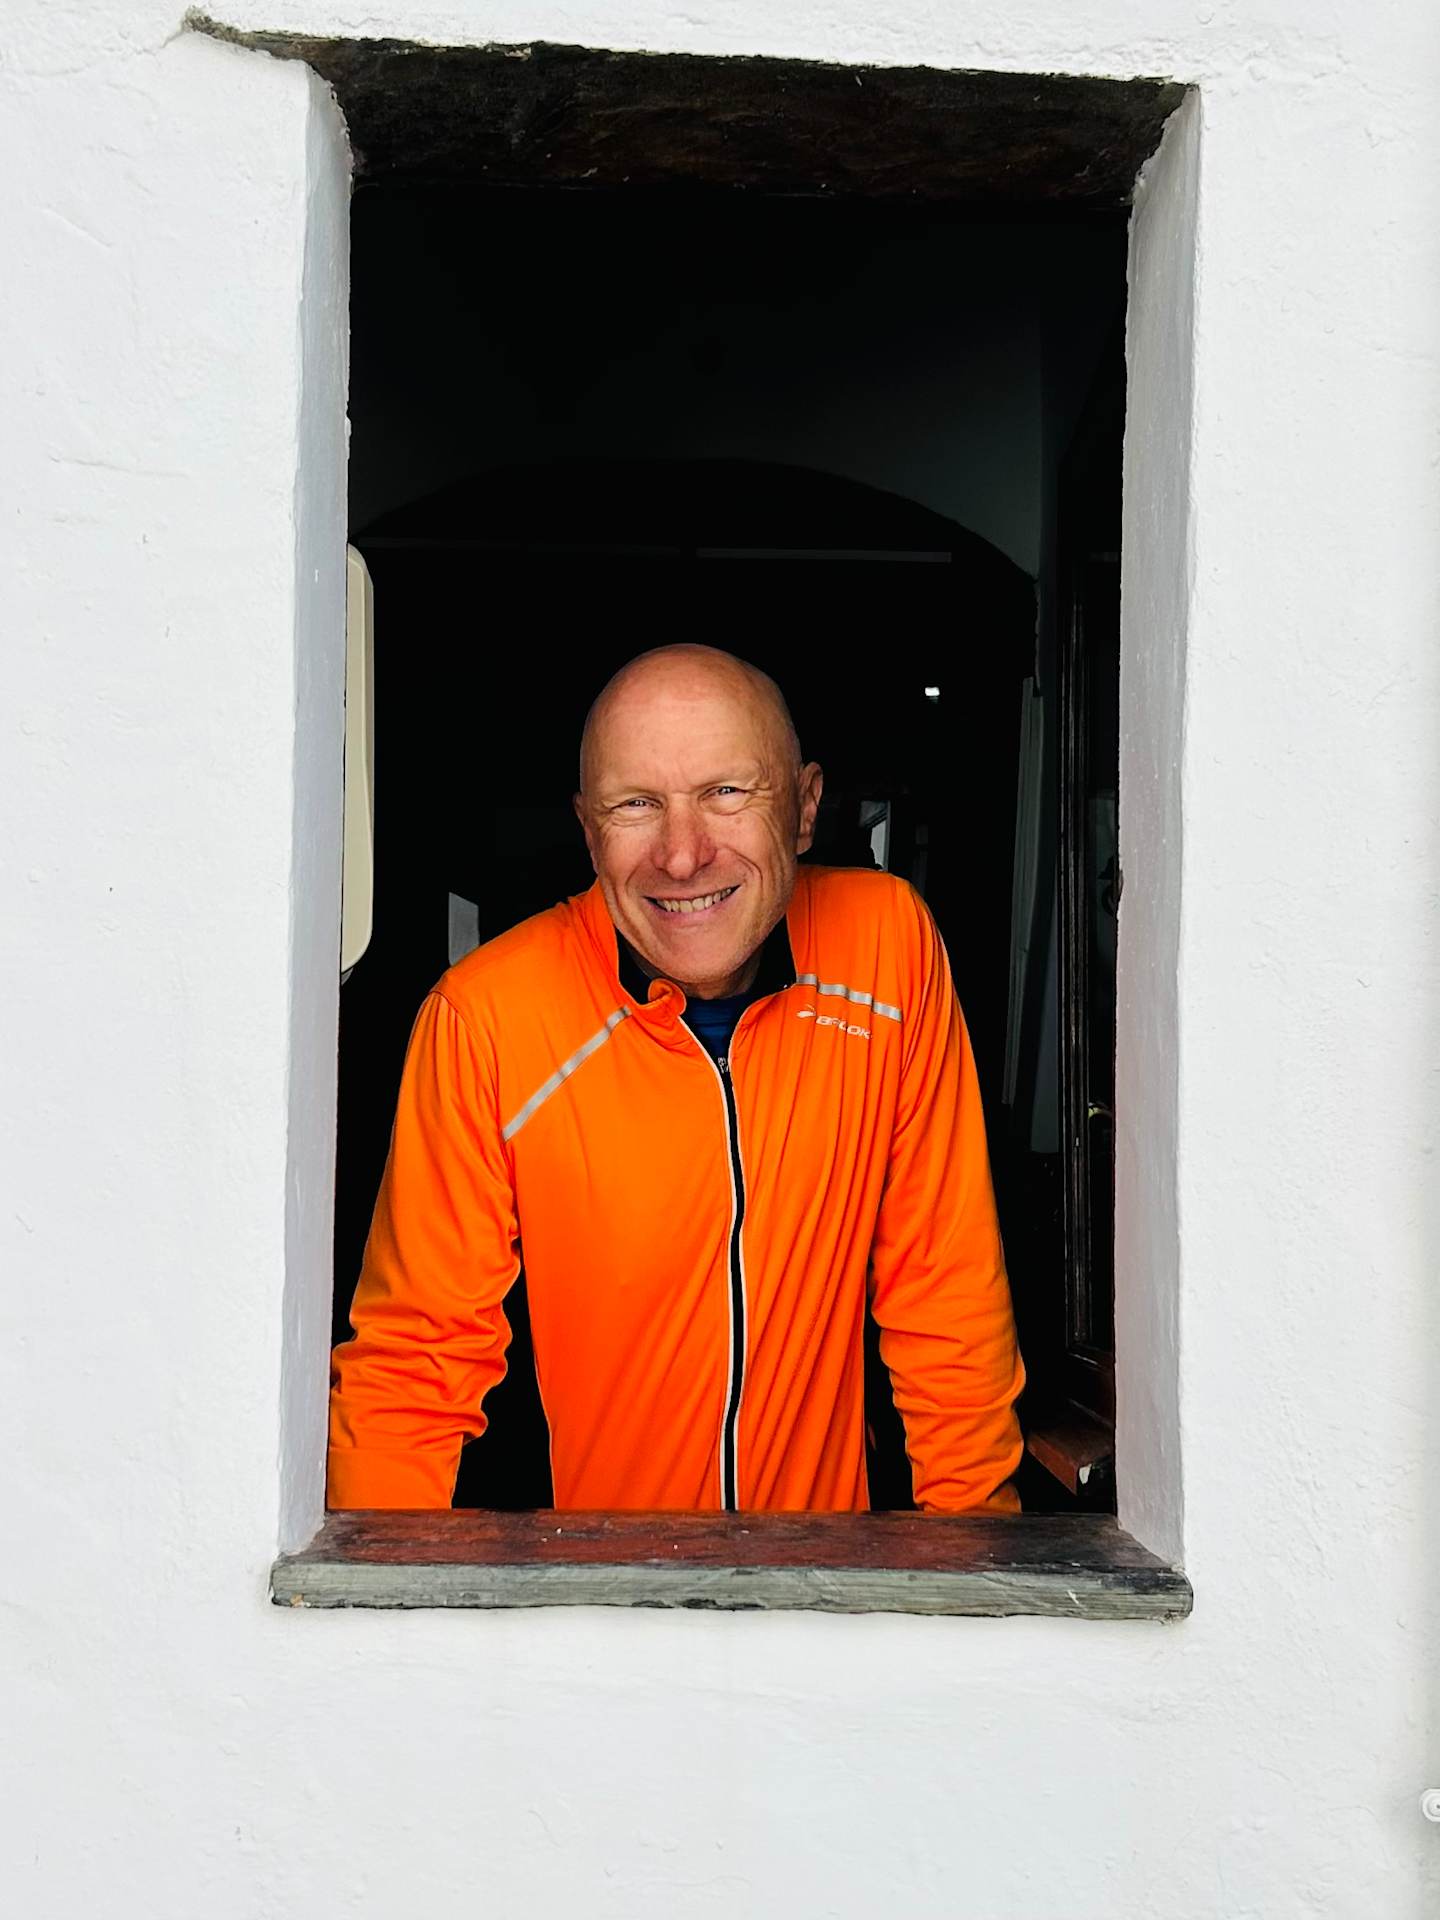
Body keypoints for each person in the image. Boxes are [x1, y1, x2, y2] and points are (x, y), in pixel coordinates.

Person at [328, 644, 1025, 1513]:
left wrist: (977, 1565)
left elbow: (947, 1295)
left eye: (726, 792)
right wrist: (377, 1586)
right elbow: (412, 1371)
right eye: (636, 804)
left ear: (805, 808)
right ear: (588, 829)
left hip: (826, 1574)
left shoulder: (887, 949)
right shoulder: (487, 1019)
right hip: (595, 1578)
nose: (683, 856)